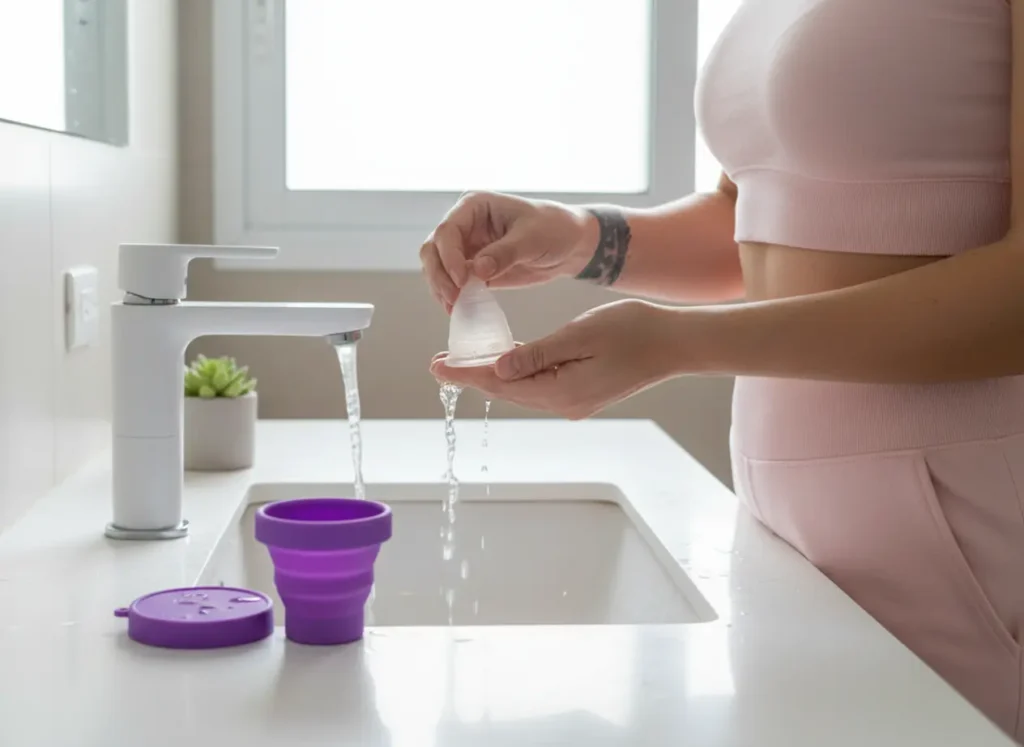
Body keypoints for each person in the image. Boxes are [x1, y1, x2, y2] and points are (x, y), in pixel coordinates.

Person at [421, 2, 1024, 742]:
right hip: (782, 509)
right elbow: (757, 215)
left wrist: (676, 344)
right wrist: (580, 237)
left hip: (950, 513)